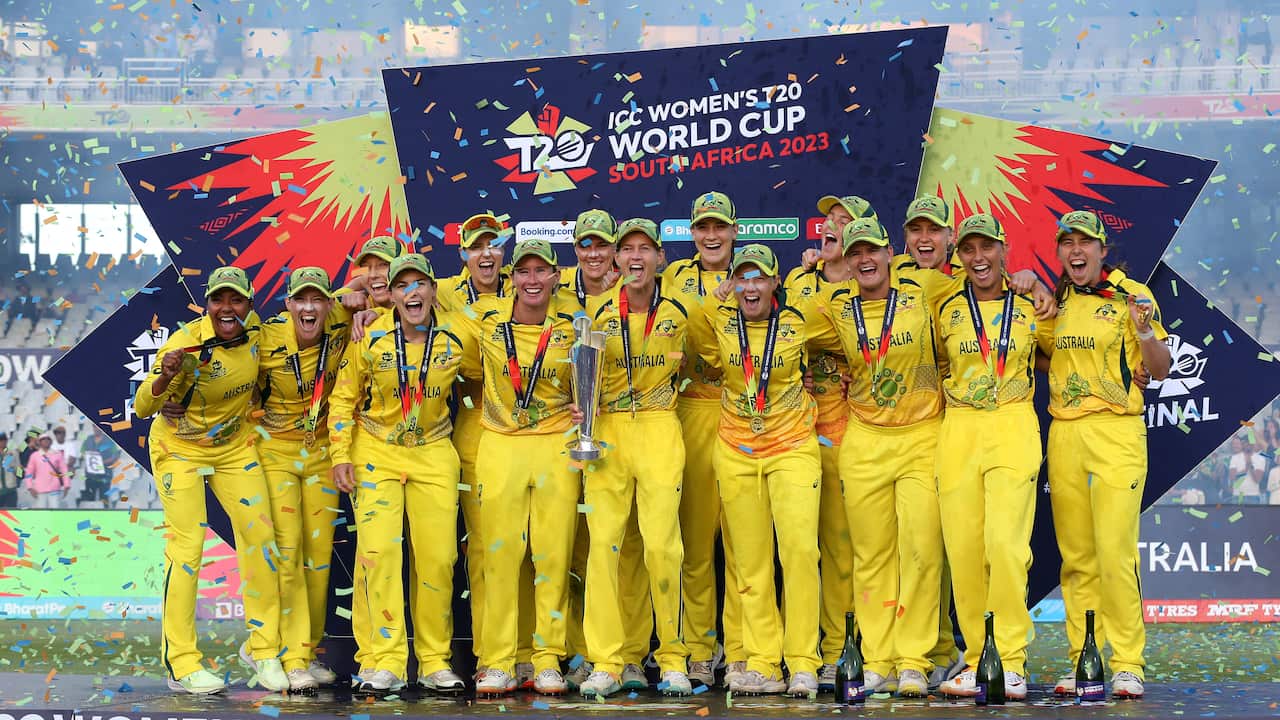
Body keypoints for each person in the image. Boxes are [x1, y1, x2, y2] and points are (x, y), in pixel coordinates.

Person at [808, 218, 948, 698]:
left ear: (891, 253)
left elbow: (982, 287)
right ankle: (878, 660)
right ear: (846, 263)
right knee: (870, 556)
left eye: (872, 250)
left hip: (922, 436)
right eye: (854, 253)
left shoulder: (925, 291)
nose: (864, 260)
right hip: (864, 437)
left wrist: (1029, 283)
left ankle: (913, 659)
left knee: (922, 552)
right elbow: (776, 328)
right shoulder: (834, 308)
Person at [133, 266, 287, 694]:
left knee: (261, 540)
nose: (226, 308)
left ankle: (265, 651)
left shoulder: (258, 333)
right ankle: (182, 663)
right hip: (178, 449)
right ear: (206, 304)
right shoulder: (188, 342)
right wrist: (165, 377)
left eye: (235, 300)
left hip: (236, 448)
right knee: (188, 547)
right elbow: (143, 407)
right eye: (218, 299)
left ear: (249, 307)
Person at [1042, 209, 1171, 700]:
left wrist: (1142, 331)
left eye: (1085, 243)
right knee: (1076, 558)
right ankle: (1084, 660)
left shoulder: (1132, 295)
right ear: (1060, 251)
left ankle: (1128, 663)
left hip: (1117, 433)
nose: (1076, 251)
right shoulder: (1056, 298)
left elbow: (1158, 368)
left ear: (1101, 249)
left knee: (1114, 552)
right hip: (1065, 433)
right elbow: (1045, 353)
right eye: (1067, 243)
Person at [687, 243, 824, 697]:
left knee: (801, 552)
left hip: (792, 447)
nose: (750, 286)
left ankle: (803, 660)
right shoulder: (722, 322)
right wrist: (716, 295)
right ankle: (764, 660)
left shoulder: (800, 322)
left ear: (774, 283)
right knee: (749, 561)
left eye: (759, 277)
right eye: (742, 278)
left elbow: (849, 334)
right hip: (736, 448)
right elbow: (692, 333)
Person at [329, 254, 468, 696]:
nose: (412, 293)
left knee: (438, 559)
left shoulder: (457, 335)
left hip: (433, 451)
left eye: (420, 284)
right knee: (379, 555)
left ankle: (433, 661)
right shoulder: (369, 335)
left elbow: (495, 380)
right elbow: (343, 397)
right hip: (377, 449)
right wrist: (339, 454)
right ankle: (386, 661)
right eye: (402, 285)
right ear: (390, 294)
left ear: (432, 292)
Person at [934, 215, 1056, 701]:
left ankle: (1011, 660)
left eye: (987, 247)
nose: (978, 257)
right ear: (957, 255)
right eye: (968, 249)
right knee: (964, 553)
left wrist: (1041, 289)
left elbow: (1057, 356)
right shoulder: (943, 307)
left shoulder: (1031, 304)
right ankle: (976, 659)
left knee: (1005, 548)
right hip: (959, 427)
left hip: (1011, 422)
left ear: (1005, 250)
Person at [575, 218, 691, 698]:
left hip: (661, 426)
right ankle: (609, 659)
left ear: (660, 257)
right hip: (609, 433)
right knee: (605, 547)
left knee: (664, 548)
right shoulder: (598, 311)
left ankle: (673, 657)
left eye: (646, 248)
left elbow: (707, 359)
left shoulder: (684, 310)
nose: (636, 257)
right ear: (618, 260)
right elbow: (583, 381)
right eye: (628, 250)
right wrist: (585, 424)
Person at [461, 238, 580, 696]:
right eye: (524, 273)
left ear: (555, 277)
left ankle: (548, 659)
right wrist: (367, 307)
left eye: (541, 272)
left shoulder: (571, 328)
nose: (533, 281)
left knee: (552, 556)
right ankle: (498, 661)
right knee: (500, 558)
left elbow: (590, 383)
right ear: (511, 280)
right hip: (500, 445)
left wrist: (582, 407)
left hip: (555, 445)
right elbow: (425, 317)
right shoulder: (485, 320)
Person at [434, 212, 535, 687]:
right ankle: (490, 654)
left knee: (535, 547)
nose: (487, 254)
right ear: (463, 254)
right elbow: (385, 287)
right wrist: (355, 302)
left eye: (494, 245)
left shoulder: (529, 287)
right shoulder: (444, 292)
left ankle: (535, 652)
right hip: (475, 423)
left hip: (535, 425)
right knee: (485, 548)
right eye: (477, 246)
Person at [784, 197, 873, 691]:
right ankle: (801, 650)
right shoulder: (798, 282)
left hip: (849, 428)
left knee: (845, 547)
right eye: (828, 219)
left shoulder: (874, 290)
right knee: (797, 548)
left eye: (845, 222)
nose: (830, 226)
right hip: (791, 429)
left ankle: (845, 648)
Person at [253, 267, 353, 692]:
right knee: (289, 553)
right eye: (301, 300)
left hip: (322, 454)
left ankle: (306, 652)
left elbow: (371, 290)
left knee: (319, 559)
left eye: (318, 299)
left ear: (328, 304)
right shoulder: (266, 338)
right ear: (289, 304)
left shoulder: (343, 324)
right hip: (275, 452)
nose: (309, 308)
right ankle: (290, 656)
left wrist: (360, 306)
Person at [661, 191, 744, 688]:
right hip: (691, 408)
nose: (711, 236)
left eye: (720, 227)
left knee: (743, 542)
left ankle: (740, 649)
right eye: (702, 227)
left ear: (734, 230)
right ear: (691, 233)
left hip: (742, 410)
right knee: (694, 543)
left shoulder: (756, 272)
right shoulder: (674, 278)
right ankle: (697, 646)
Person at [23, 431, 69, 509]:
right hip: (39, 489)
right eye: (43, 439)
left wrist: (66, 485)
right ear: (40, 442)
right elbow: (29, 473)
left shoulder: (57, 454)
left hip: (54, 488)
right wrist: (30, 487)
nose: (46, 441)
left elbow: (64, 470)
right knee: (41, 513)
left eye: (48, 439)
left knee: (55, 512)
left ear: (51, 441)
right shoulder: (34, 456)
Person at [77, 426, 120, 507]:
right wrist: (89, 459)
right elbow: (82, 452)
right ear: (92, 427)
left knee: (104, 499)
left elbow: (115, 456)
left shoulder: (109, 440)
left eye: (98, 427)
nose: (96, 429)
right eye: (94, 427)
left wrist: (102, 462)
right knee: (90, 499)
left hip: (105, 475)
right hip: (90, 475)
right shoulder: (88, 440)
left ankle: (105, 517)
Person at [1226, 435, 1266, 504]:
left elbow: (1257, 479)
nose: (1248, 444)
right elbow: (1232, 477)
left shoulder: (1260, 458)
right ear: (1243, 444)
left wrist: (1250, 466)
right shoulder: (1235, 457)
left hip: (1253, 495)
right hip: (1238, 495)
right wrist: (1246, 468)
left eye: (1250, 442)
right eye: (1245, 442)